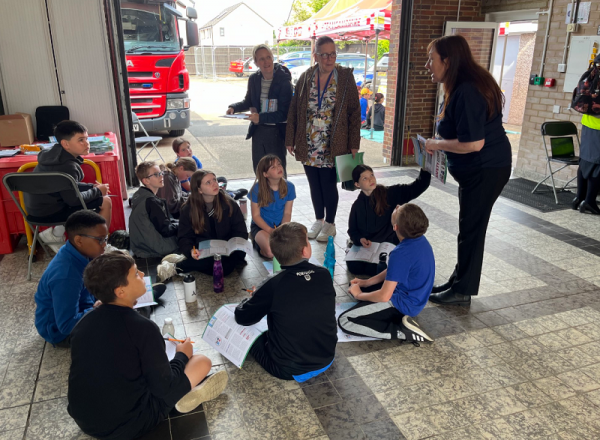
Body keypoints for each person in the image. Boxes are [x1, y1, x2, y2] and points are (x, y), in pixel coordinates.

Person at [68, 252, 228, 440]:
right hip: (128, 424)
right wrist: (182, 355)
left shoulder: (83, 323)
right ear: (120, 292)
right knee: (202, 361)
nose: (143, 275)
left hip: (85, 420)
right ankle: (184, 396)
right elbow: (164, 387)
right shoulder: (142, 328)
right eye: (136, 273)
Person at [424, 35, 511, 306]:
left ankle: (463, 292)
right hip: (480, 169)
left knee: (473, 228)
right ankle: (459, 280)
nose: (428, 65)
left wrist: (436, 144)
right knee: (468, 226)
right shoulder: (462, 86)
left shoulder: (468, 91)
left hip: (486, 168)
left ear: (447, 61)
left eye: (432, 59)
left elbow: (474, 143)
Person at [234, 222, 337, 381]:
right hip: (327, 357)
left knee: (249, 335)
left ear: (275, 254)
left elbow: (242, 317)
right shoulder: (323, 274)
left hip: (288, 369)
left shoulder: (273, 284)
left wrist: (254, 298)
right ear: (305, 251)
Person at [286, 36, 361, 242]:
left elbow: (355, 111)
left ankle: (330, 223)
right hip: (309, 140)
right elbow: (294, 109)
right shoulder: (305, 77)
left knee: (328, 184)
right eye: (325, 55)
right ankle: (318, 219)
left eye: (333, 54)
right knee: (314, 183)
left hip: (333, 142)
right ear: (316, 55)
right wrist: (290, 138)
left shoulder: (344, 77)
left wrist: (354, 143)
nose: (329, 59)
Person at [339, 204, 434, 343]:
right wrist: (366, 282)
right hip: (414, 298)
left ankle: (401, 331)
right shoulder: (420, 240)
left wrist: (359, 294)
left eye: (398, 210)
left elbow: (384, 296)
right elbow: (394, 270)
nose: (397, 206)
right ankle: (390, 317)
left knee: (345, 320)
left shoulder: (400, 253)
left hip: (402, 305)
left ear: (395, 227)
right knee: (357, 286)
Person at [24, 120, 112, 250]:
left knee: (91, 197)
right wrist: (98, 192)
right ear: (65, 144)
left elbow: (66, 185)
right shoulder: (68, 166)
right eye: (80, 140)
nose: (86, 143)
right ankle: (100, 244)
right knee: (105, 201)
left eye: (87, 138)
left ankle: (56, 234)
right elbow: (73, 200)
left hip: (35, 211)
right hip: (50, 212)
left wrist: (91, 187)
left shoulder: (52, 155)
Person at [157, 170, 248, 280]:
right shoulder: (188, 209)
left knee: (225, 267)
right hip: (204, 249)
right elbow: (184, 237)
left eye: (214, 179)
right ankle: (174, 267)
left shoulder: (229, 203)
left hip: (227, 250)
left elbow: (241, 230)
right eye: (208, 183)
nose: (214, 184)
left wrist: (234, 245)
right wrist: (190, 250)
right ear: (199, 190)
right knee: (215, 264)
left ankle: (184, 262)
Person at [34, 211, 107, 347]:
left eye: (105, 239)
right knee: (120, 327)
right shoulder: (66, 275)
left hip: (83, 305)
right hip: (61, 334)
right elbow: (67, 325)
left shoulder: (78, 252)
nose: (104, 245)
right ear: (79, 240)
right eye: (100, 240)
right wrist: (98, 308)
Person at [348, 164, 431, 276]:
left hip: (389, 243)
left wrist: (426, 169)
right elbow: (353, 231)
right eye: (365, 178)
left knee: (380, 267)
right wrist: (360, 239)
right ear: (357, 184)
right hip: (369, 247)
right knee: (355, 267)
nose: (371, 179)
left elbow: (417, 187)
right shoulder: (357, 206)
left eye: (371, 175)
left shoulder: (390, 193)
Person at [227, 44, 293, 173]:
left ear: (273, 58)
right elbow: (248, 101)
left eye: (268, 57)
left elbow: (284, 114)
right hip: (258, 132)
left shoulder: (284, 82)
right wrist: (233, 108)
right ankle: (261, 194)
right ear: (256, 62)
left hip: (277, 133)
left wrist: (260, 117)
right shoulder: (254, 79)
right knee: (260, 170)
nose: (266, 61)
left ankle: (280, 194)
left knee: (277, 173)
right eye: (261, 59)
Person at [250, 155, 296, 259]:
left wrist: (282, 230)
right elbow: (255, 216)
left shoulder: (290, 187)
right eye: (273, 167)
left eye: (279, 164)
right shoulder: (256, 189)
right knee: (271, 253)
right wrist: (270, 231)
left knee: (290, 250)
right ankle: (256, 241)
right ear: (265, 174)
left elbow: (287, 213)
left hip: (280, 227)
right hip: (261, 227)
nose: (279, 168)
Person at [130, 161, 179, 258]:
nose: (161, 176)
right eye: (156, 174)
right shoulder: (152, 201)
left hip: (140, 245)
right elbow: (166, 230)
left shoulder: (140, 194)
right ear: (146, 181)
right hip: (155, 247)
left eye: (161, 173)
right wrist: (182, 224)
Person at [574, 113, 600, 214]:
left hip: (588, 124)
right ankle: (589, 201)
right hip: (598, 128)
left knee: (585, 160)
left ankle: (579, 199)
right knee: (597, 164)